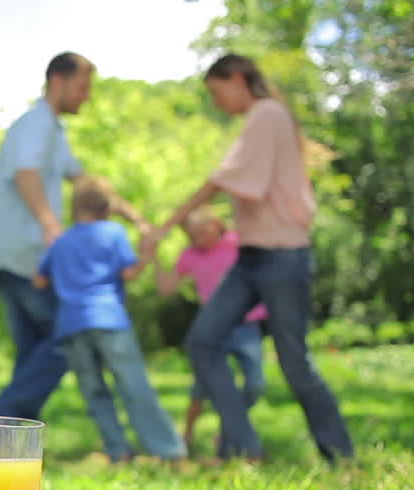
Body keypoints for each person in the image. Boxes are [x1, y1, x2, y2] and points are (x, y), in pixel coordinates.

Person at [143, 54, 353, 462]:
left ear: (237, 79)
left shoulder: (268, 114)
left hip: (283, 257)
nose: (216, 102)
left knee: (294, 362)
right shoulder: (260, 119)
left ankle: (340, 455)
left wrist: (168, 226)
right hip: (250, 258)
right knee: (203, 342)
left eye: (216, 92)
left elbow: (225, 182)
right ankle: (244, 447)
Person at [0, 52, 145, 420]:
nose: (86, 96)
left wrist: (133, 215)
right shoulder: (35, 124)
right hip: (24, 255)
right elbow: (26, 174)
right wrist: (52, 226)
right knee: (65, 339)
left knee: (33, 349)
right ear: (58, 81)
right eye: (83, 87)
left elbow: (84, 182)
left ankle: (8, 438)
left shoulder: (53, 130)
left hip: (16, 255)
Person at [34, 178, 185, 462]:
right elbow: (128, 273)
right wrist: (146, 257)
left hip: (71, 322)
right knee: (133, 384)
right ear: (107, 206)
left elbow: (39, 280)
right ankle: (166, 450)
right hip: (109, 317)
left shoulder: (61, 241)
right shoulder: (113, 232)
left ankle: (118, 451)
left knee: (94, 391)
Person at [157, 208, 267, 451]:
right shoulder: (190, 255)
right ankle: (186, 435)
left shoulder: (238, 243)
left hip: (246, 324)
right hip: (213, 327)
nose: (200, 239)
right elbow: (166, 289)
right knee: (201, 388)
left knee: (256, 384)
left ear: (218, 225)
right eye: (194, 235)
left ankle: (231, 426)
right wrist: (154, 254)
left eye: (204, 231)